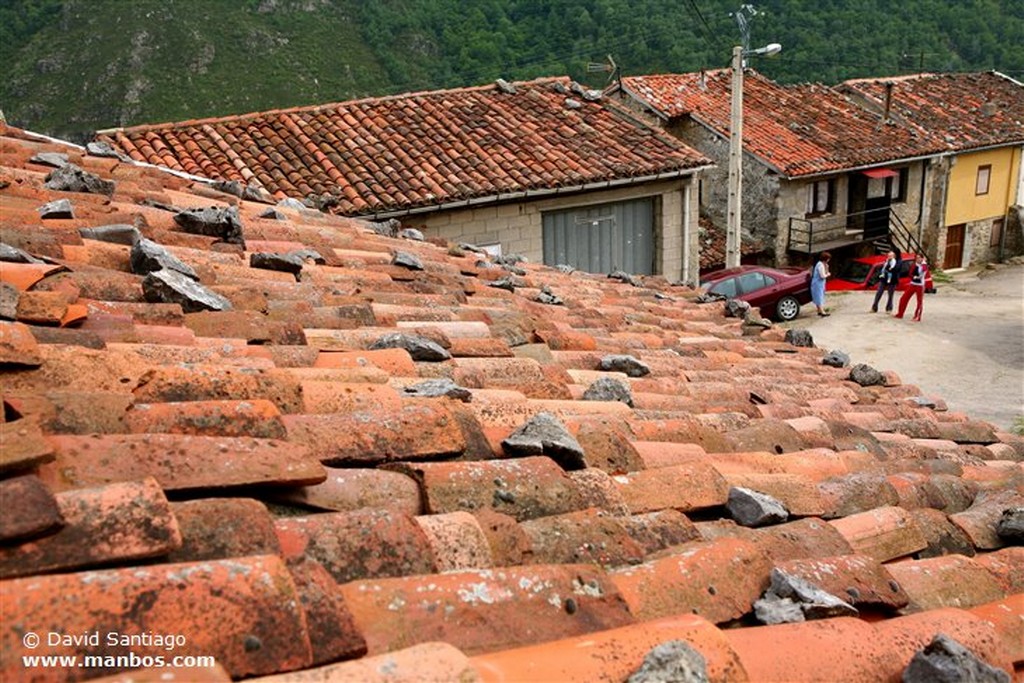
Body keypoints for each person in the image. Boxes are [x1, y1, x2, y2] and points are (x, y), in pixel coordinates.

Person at [895, 254, 928, 321]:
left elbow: (923, 271)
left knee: (919, 301)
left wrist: (923, 263)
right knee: (904, 298)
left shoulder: (924, 265)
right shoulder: (914, 264)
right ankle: (900, 313)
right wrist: (913, 277)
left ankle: (917, 316)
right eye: (916, 258)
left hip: (920, 285)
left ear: (922, 259)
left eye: (919, 258)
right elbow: (910, 273)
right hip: (913, 284)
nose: (917, 259)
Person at [811, 251, 831, 316]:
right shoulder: (820, 265)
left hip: (818, 283)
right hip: (818, 284)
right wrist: (828, 274)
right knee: (819, 297)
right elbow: (822, 276)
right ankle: (822, 312)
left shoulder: (821, 264)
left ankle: (819, 310)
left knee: (818, 296)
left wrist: (827, 267)